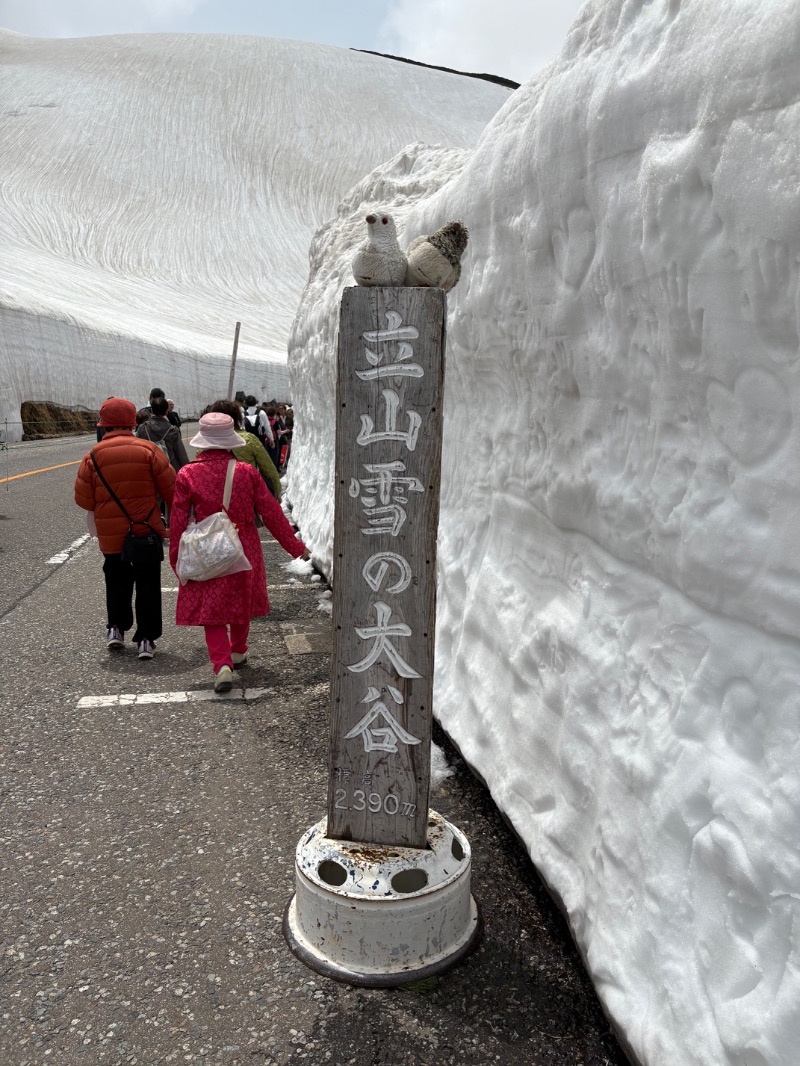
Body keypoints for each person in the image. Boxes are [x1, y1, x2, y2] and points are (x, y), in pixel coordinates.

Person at [169, 412, 309, 693]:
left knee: (212, 608)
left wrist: (177, 558)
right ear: (230, 441)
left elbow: (177, 521)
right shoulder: (246, 472)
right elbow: (271, 513)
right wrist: (296, 547)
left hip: (207, 547)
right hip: (243, 542)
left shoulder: (187, 474)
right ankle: (239, 650)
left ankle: (221, 664)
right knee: (240, 600)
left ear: (203, 442)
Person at [74, 397, 176, 659]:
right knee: (148, 583)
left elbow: (83, 500)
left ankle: (116, 629)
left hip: (110, 536)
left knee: (116, 580)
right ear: (133, 422)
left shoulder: (92, 456)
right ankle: (145, 640)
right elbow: (172, 490)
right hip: (145, 531)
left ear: (103, 424)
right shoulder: (149, 450)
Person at [205, 399, 282, 498]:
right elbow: (269, 469)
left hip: (216, 497)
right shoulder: (249, 439)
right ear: (237, 417)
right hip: (246, 494)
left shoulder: (205, 443)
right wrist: (277, 491)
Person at [136, 396, 189, 473]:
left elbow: (138, 451)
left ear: (151, 410)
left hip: (151, 470)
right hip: (171, 470)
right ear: (166, 411)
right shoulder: (172, 430)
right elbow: (181, 455)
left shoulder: (143, 428)